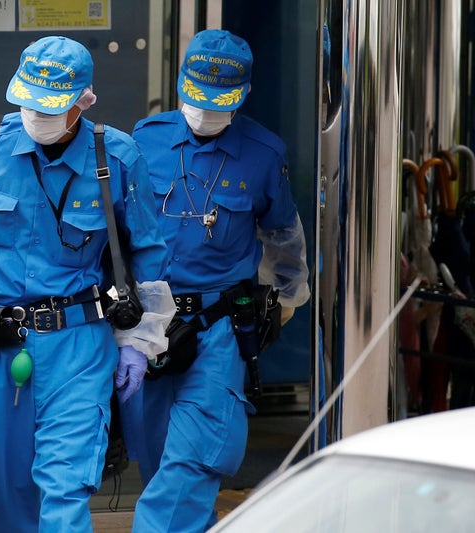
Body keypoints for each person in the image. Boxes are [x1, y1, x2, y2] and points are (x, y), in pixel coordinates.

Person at [0, 36, 174, 532]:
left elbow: (146, 255)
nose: (37, 116)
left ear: (82, 101)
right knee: (0, 490)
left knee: (64, 485)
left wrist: (139, 340)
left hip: (78, 346)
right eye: (30, 103)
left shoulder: (117, 156)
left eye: (51, 107)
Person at [124, 29, 311, 532]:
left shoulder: (263, 152)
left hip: (218, 329)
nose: (205, 111)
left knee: (195, 458)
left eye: (218, 101)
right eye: (197, 97)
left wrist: (285, 301)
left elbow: (283, 239)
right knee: (161, 459)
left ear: (242, 94)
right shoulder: (145, 139)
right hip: (150, 327)